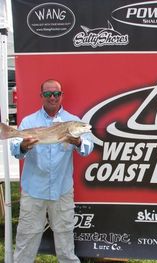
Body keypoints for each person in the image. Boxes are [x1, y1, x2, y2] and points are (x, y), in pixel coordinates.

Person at [10, 79, 94, 263]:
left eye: (56, 93)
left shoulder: (72, 122)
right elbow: (15, 150)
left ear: (61, 95)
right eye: (48, 94)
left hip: (62, 190)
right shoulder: (29, 121)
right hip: (34, 191)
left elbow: (88, 147)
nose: (53, 97)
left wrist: (78, 142)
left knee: (65, 239)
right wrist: (23, 146)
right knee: (26, 239)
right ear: (41, 96)